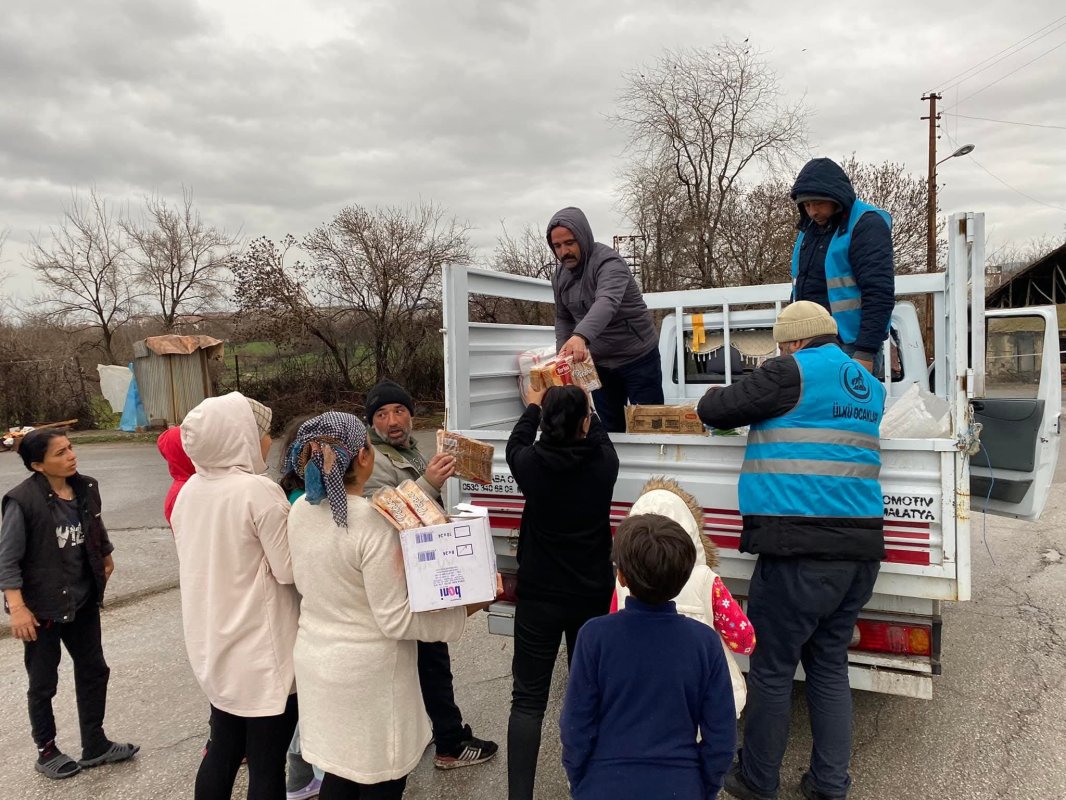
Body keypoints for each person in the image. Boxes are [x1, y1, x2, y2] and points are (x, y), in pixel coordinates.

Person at [696, 302, 886, 800]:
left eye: (781, 345)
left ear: (794, 342)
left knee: (774, 669)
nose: (780, 353)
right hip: (860, 550)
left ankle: (757, 779)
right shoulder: (867, 383)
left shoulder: (791, 371)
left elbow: (716, 409)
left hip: (800, 549)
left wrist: (718, 390)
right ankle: (829, 785)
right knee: (828, 666)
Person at [285, 411, 491, 799]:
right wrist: (466, 608)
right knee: (382, 778)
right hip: (369, 679)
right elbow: (396, 618)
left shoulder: (300, 512)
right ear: (364, 457)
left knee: (340, 772)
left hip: (318, 664)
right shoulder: (371, 522)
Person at [362, 379, 498, 770]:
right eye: (382, 414)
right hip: (403, 579)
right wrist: (430, 482)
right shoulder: (375, 461)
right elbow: (385, 518)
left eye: (399, 411)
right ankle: (450, 744)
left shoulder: (407, 450)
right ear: (371, 422)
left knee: (424, 659)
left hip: (421, 569)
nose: (392, 420)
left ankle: (429, 733)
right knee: (432, 657)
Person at [171, 392, 299, 800]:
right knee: (266, 763)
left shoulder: (189, 490)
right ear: (236, 437)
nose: (267, 439)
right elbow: (289, 569)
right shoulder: (257, 491)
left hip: (215, 643)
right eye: (260, 431)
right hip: (261, 650)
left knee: (223, 748)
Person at [560, 513, 737, 800]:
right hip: (682, 784)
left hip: (603, 784)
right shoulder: (704, 643)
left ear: (622, 576)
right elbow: (722, 737)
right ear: (682, 579)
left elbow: (575, 726)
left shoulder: (594, 636)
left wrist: (579, 779)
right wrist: (704, 787)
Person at [0, 429, 138, 779]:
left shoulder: (84, 487)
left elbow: (95, 526)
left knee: (94, 669)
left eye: (70, 448)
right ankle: (46, 750)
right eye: (60, 453)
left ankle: (95, 744)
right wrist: (17, 608)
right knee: (44, 681)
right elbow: (7, 559)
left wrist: (106, 556)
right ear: (38, 464)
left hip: (83, 600)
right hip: (42, 608)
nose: (71, 455)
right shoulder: (22, 501)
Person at [505, 383, 619, 800]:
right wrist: (587, 393)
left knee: (528, 701)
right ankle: (591, 787)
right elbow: (599, 430)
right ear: (584, 423)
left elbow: (516, 440)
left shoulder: (530, 465)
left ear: (546, 424)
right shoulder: (605, 463)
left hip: (538, 598)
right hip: (590, 598)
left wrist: (533, 404)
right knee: (589, 696)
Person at [612, 477, 755, 716]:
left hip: (643, 704)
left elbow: (613, 634)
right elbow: (744, 641)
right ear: (690, 533)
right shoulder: (707, 582)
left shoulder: (622, 583)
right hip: (700, 704)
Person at [548, 206, 663, 432]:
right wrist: (562, 356)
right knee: (610, 429)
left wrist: (580, 336)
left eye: (570, 243)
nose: (564, 252)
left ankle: (656, 469)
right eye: (557, 246)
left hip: (637, 356)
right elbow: (563, 317)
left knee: (650, 425)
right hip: (600, 364)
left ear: (583, 237)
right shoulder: (560, 276)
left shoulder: (609, 263)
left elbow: (607, 301)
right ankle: (617, 468)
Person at [790, 158, 894, 375]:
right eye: (806, 205)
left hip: (851, 347)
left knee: (853, 409)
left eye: (818, 203)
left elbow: (879, 293)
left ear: (836, 198)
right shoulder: (808, 231)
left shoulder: (866, 224)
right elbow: (800, 288)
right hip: (809, 346)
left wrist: (865, 352)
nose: (812, 212)